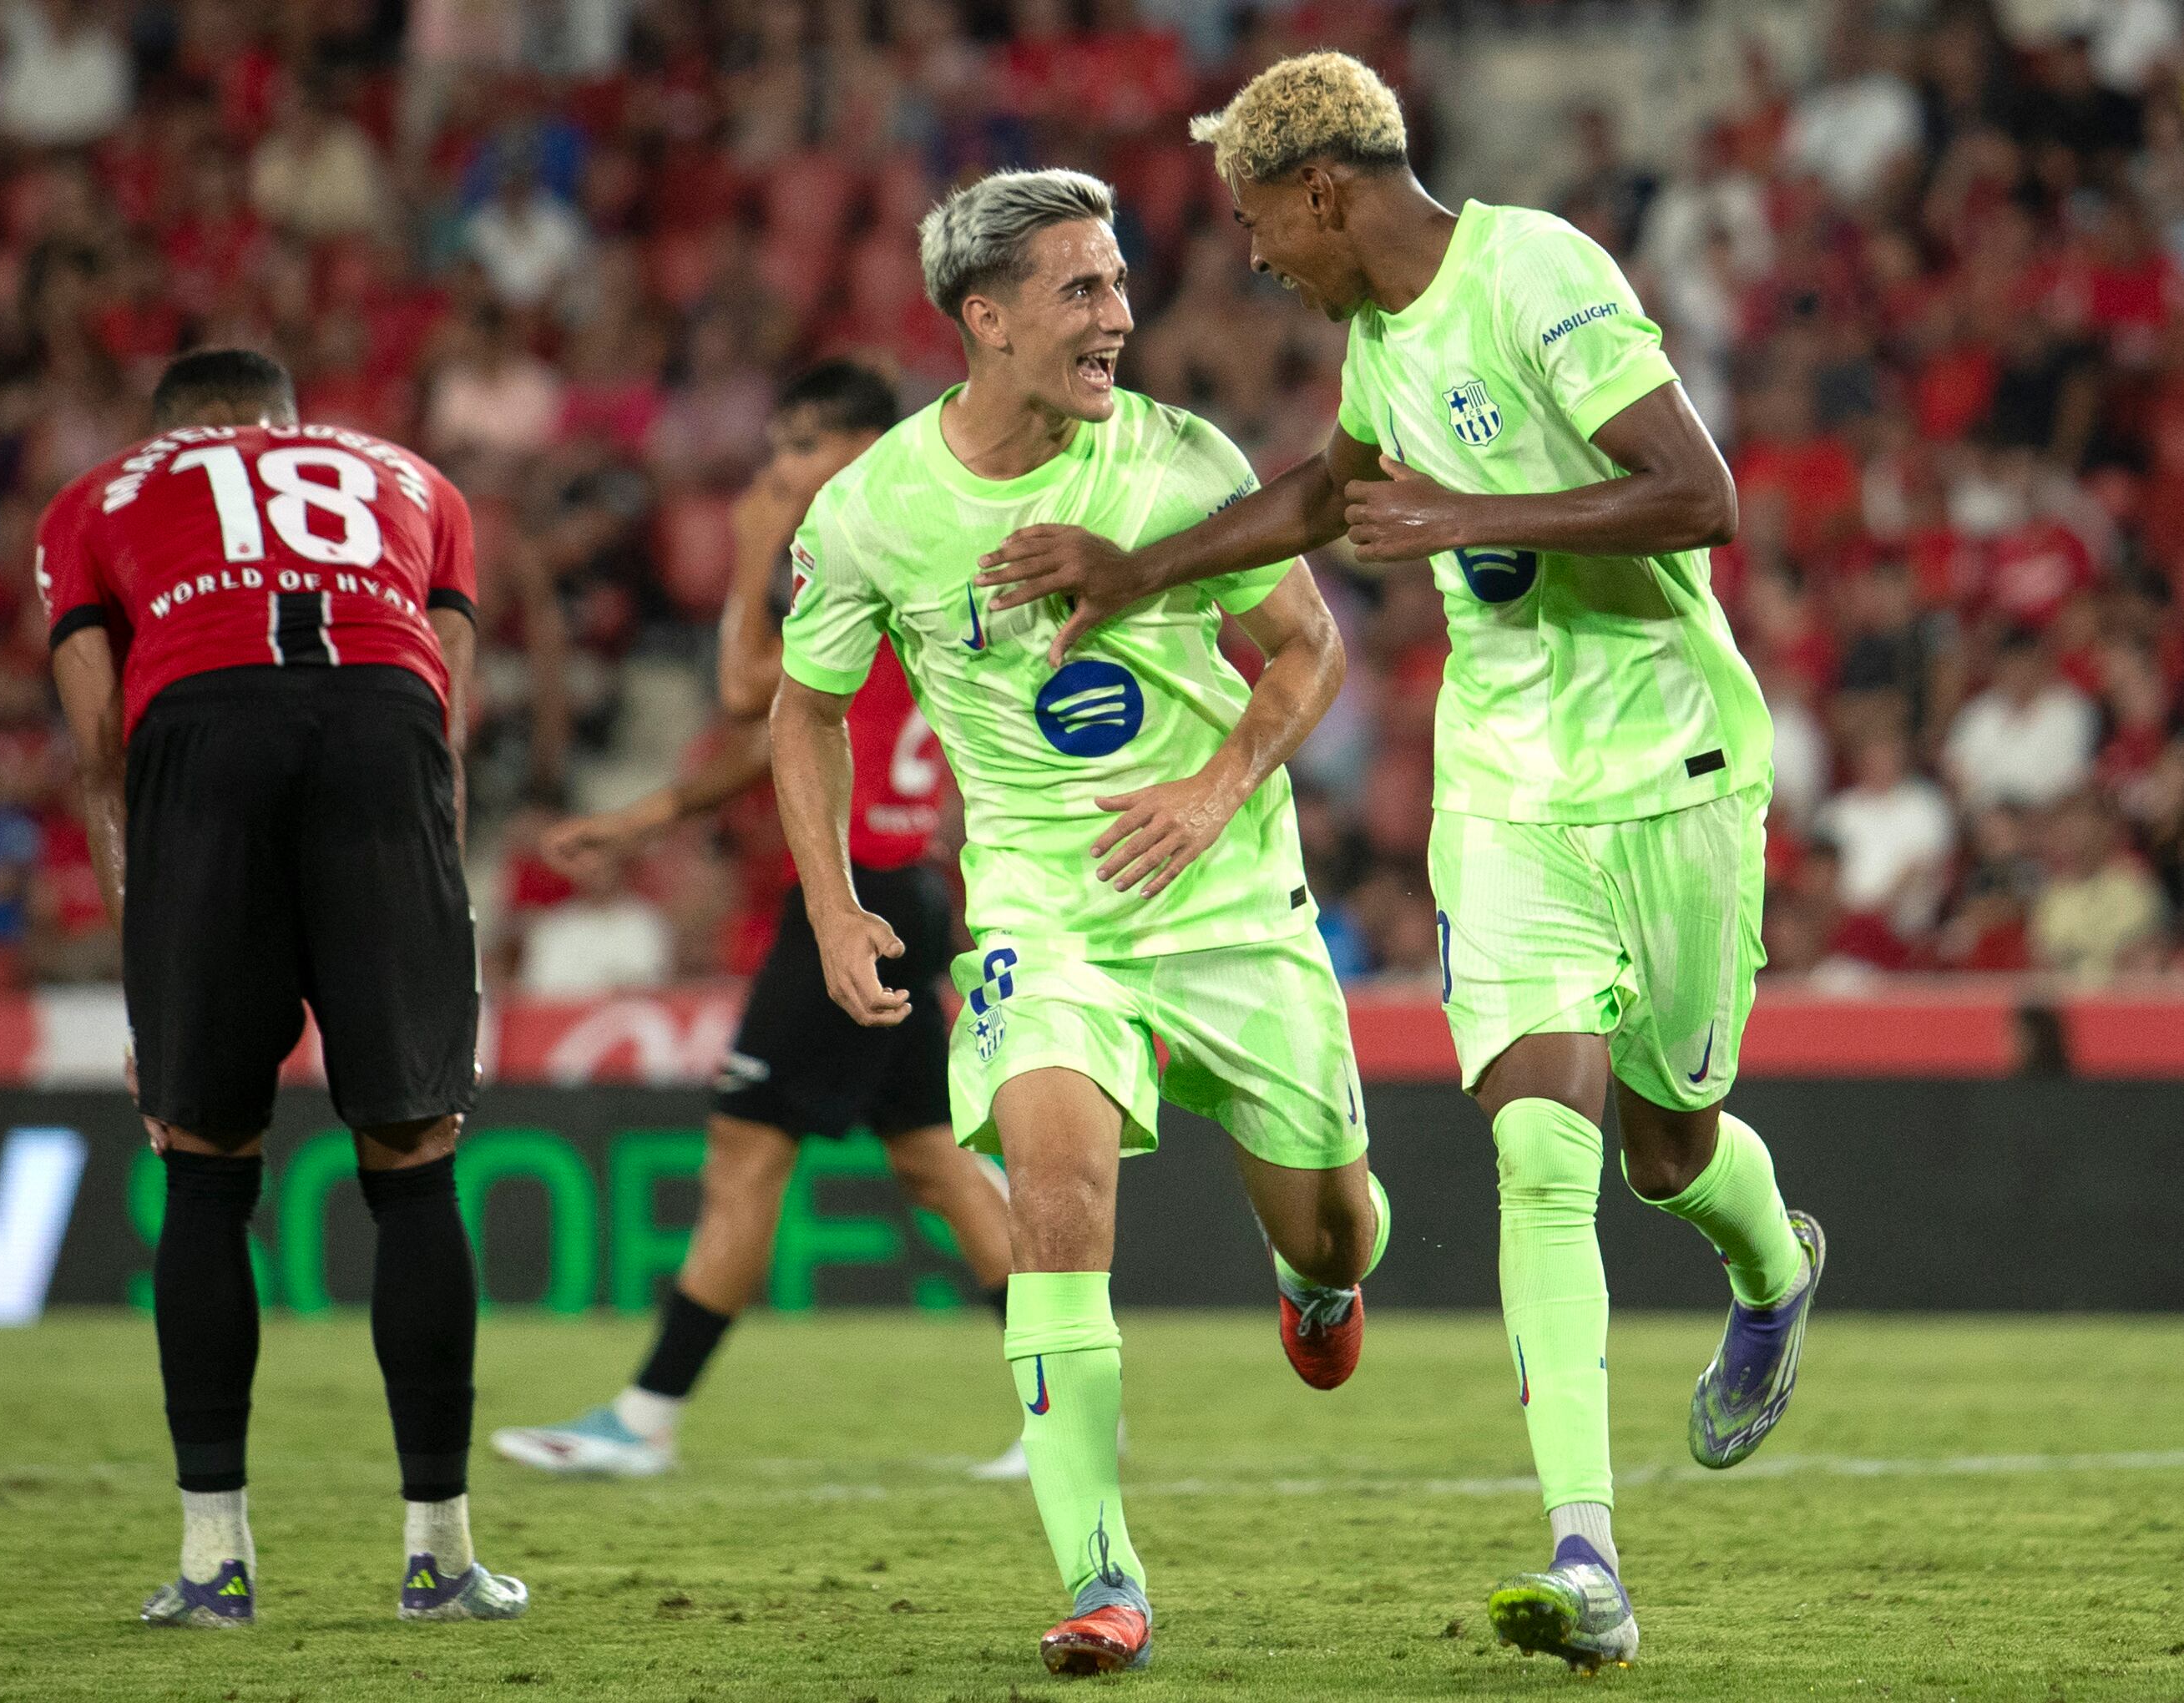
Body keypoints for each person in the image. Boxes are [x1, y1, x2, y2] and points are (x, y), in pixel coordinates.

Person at [973, 53, 1826, 1673]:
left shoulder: (1534, 271)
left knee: (1665, 1147)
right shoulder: (1377, 343)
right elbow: (1325, 490)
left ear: (1320, 190)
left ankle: (1773, 1268)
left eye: (1251, 220)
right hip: (1505, 787)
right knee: (1538, 1154)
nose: (1248, 256)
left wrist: (1465, 514)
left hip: (1674, 769)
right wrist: (1137, 568)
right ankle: (1587, 1561)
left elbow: (1695, 497)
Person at [770, 169, 1388, 1677]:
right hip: (1045, 910)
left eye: (1119, 287)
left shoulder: (1180, 464)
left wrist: (1218, 780)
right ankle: (1105, 1577)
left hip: (1232, 898)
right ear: (984, 320)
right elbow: (806, 711)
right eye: (1082, 291)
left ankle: (1319, 1283)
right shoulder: (874, 514)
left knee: (1333, 1218)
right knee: (1055, 1199)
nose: (1119, 318)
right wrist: (837, 905)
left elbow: (1310, 648)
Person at [42, 349, 525, 1629]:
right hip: (383, 730)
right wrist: (440, 926)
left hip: (199, 741)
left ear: (172, 433)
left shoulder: (96, 500)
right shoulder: (417, 480)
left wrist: (152, 964)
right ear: (289, 420)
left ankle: (215, 1566)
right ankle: (441, 1559)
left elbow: (101, 751)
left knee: (204, 1163)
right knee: (414, 1155)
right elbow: (449, 725)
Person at [491, 361, 1017, 1480]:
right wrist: (656, 813)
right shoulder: (925, 538)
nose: (776, 476)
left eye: (796, 451)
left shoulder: (867, 544)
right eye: (774, 454)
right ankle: (1071, 1401)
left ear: (862, 447)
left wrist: (747, 548)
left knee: (745, 1155)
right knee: (932, 1163)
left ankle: (645, 1419)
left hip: (857, 895)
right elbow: (790, 731)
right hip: (902, 888)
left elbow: (742, 690)